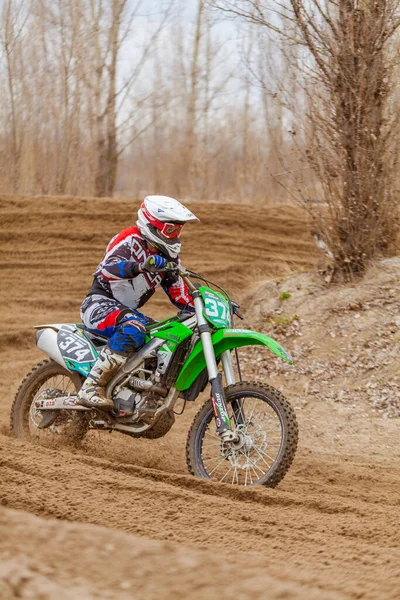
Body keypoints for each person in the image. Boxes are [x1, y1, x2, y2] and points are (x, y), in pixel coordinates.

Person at [77, 195, 198, 410]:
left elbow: (178, 294)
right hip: (99, 304)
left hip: (126, 311)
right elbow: (108, 268)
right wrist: (141, 266)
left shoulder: (167, 257)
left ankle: (143, 396)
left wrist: (203, 305)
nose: (175, 236)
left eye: (178, 231)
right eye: (171, 230)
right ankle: (91, 387)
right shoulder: (129, 239)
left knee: (164, 338)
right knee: (134, 328)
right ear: (152, 224)